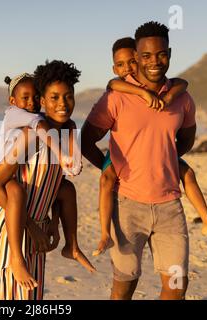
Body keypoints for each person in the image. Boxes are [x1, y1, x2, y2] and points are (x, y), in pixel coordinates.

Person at [82, 21, 197, 300]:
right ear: (136, 56)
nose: (155, 62)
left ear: (170, 52)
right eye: (146, 56)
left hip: (169, 205)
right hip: (127, 206)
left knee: (177, 286)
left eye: (161, 54)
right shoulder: (116, 98)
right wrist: (112, 169)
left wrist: (163, 159)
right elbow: (86, 141)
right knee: (125, 285)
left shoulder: (182, 99)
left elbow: (187, 140)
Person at [94, 37, 207, 256]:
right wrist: (110, 166)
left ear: (138, 59)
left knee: (187, 173)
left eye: (131, 62)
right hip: (122, 157)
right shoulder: (117, 88)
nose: (127, 69)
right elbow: (114, 85)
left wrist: (169, 96)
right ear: (114, 67)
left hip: (159, 168)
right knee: (106, 180)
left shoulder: (174, 91)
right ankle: (104, 233)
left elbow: (182, 83)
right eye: (120, 65)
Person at [0, 60, 94, 300]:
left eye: (68, 97)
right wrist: (31, 227)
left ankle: (72, 247)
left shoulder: (66, 135)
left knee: (32, 298)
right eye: (54, 98)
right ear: (42, 101)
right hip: (11, 227)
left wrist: (54, 223)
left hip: (39, 230)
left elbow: (57, 184)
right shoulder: (29, 135)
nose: (63, 104)